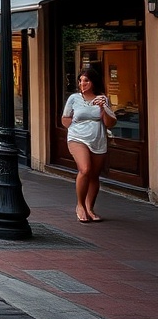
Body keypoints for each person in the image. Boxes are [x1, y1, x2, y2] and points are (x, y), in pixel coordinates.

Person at [63, 66, 117, 223]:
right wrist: (78, 123)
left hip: (98, 139)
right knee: (85, 169)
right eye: (80, 80)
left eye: (86, 80)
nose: (82, 83)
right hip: (77, 138)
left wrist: (103, 108)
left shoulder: (102, 99)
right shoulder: (73, 98)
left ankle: (90, 208)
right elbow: (65, 120)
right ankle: (80, 205)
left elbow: (109, 123)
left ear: (93, 82)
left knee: (94, 175)